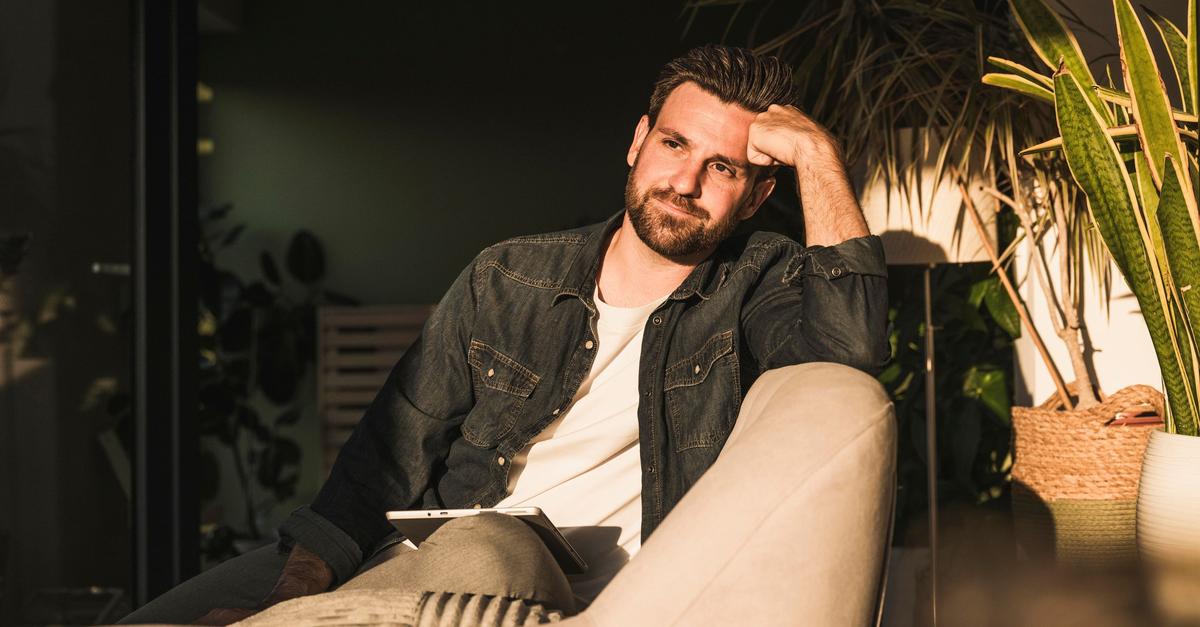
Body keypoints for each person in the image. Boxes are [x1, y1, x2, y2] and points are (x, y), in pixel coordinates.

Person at [121, 44, 889, 626]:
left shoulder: (759, 283)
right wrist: (294, 589)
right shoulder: (509, 276)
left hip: (533, 579)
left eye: (723, 167)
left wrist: (815, 151)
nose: (685, 182)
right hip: (412, 563)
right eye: (675, 145)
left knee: (494, 544)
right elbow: (384, 456)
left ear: (755, 196)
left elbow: (850, 357)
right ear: (638, 141)